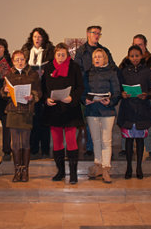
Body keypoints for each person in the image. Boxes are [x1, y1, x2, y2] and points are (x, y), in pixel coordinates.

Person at [42, 43, 84, 184]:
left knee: (71, 141)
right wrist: (46, 99)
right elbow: (43, 89)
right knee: (57, 142)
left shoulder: (74, 67)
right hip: (54, 111)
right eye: (58, 54)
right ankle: (60, 171)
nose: (60, 57)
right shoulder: (48, 68)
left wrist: (72, 97)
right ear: (54, 55)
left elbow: (80, 87)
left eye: (63, 55)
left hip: (70, 110)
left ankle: (73, 174)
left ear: (68, 55)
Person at [118, 34, 151, 161]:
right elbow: (119, 78)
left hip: (144, 99)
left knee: (149, 124)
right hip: (129, 100)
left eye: (140, 44)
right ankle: (125, 149)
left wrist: (145, 93)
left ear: (145, 45)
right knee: (126, 123)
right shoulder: (126, 61)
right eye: (134, 44)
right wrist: (123, 92)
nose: (137, 46)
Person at [74, 25, 115, 159]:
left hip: (103, 95)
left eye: (99, 33)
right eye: (94, 33)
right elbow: (77, 72)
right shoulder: (81, 51)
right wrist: (83, 95)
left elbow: (113, 69)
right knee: (88, 124)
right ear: (88, 34)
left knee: (104, 135)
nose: (96, 35)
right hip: (87, 92)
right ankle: (90, 150)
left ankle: (103, 155)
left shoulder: (104, 50)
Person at [1, 50, 41, 182]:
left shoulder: (33, 74)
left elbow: (39, 92)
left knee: (25, 142)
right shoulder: (8, 74)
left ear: (26, 60)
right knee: (15, 143)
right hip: (13, 111)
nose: (20, 62)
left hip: (26, 110)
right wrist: (5, 90)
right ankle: (17, 170)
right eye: (17, 59)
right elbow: (2, 92)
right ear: (13, 61)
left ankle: (25, 171)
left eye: (22, 59)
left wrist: (32, 96)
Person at [117, 46, 151, 180]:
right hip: (127, 109)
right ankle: (129, 167)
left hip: (142, 110)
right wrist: (122, 94)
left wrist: (147, 95)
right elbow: (118, 89)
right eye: (132, 56)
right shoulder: (123, 72)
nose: (134, 58)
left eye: (137, 56)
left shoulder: (147, 71)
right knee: (128, 140)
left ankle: (139, 167)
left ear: (141, 57)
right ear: (128, 57)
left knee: (140, 140)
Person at [82, 48, 120, 183]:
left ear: (105, 58)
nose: (97, 59)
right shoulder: (87, 74)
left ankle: (106, 168)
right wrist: (84, 99)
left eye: (99, 57)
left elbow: (117, 92)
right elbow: (83, 91)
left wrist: (111, 101)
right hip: (92, 110)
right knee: (95, 140)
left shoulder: (111, 73)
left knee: (106, 140)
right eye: (95, 57)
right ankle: (97, 165)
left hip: (107, 110)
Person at [21, 27, 54, 159]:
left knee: (45, 121)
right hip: (31, 89)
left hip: (45, 88)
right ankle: (34, 148)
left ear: (44, 38)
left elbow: (53, 67)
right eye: (35, 36)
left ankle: (45, 148)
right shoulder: (26, 51)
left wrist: (45, 72)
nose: (37, 39)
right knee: (33, 121)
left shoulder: (50, 51)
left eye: (40, 37)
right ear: (32, 38)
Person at [0, 38, 13, 161]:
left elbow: (9, 79)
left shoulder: (7, 62)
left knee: (6, 126)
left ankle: (6, 151)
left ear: (5, 49)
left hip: (5, 98)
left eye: (2, 47)